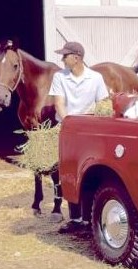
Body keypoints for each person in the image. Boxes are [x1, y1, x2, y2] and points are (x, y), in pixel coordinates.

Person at [48, 41, 109, 233]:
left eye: (65, 55)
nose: (62, 58)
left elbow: (103, 104)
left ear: (76, 57)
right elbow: (59, 103)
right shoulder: (59, 77)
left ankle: (89, 219)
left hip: (90, 132)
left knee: (89, 172)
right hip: (67, 129)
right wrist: (70, 125)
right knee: (69, 173)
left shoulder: (96, 78)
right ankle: (75, 220)